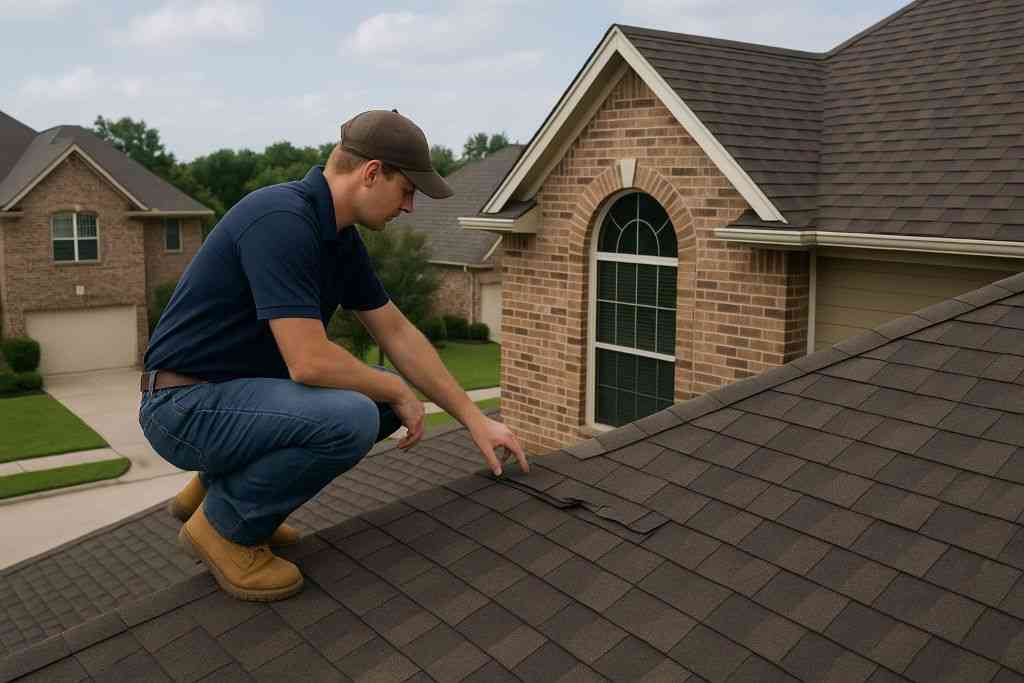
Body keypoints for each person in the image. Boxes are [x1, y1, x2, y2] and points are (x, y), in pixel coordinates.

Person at [139, 109, 529, 602]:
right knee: (351, 414)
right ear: (371, 173)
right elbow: (309, 362)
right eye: (407, 190)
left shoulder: (337, 237)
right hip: (182, 406)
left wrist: (475, 419)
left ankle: (215, 492)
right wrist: (395, 387)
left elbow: (396, 332)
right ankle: (224, 527)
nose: (409, 206)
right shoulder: (281, 220)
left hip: (229, 398)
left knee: (379, 401)